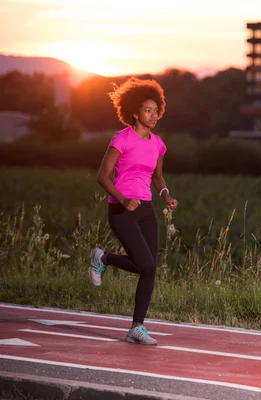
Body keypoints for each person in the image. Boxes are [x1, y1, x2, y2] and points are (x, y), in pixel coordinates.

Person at [89, 77, 178, 345]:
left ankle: (136, 327)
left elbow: (157, 177)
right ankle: (103, 259)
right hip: (121, 209)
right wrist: (123, 198)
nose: (154, 115)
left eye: (156, 110)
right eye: (148, 110)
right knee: (146, 264)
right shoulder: (122, 139)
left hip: (146, 208)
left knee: (149, 268)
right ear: (135, 113)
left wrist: (166, 195)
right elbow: (102, 177)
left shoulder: (157, 143)